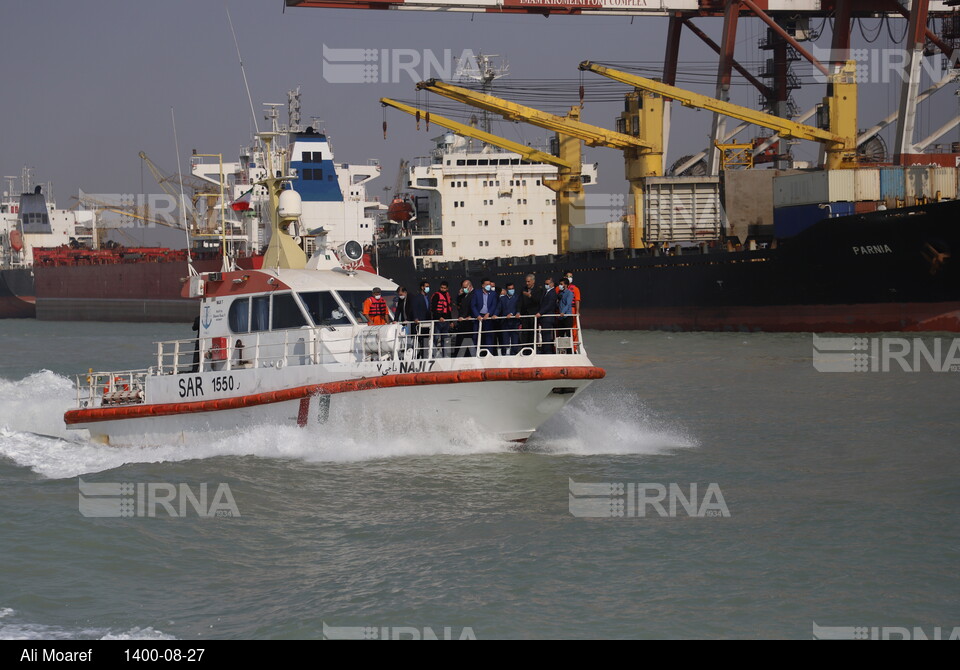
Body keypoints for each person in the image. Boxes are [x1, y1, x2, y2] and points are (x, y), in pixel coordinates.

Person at [470, 277, 499, 354]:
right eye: (487, 284)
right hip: (478, 317)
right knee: (476, 336)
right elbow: (473, 305)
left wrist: (489, 313)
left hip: (488, 317)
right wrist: (477, 315)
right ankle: (475, 353)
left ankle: (489, 353)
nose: (489, 286)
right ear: (483, 285)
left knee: (489, 336)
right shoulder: (477, 292)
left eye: (489, 284)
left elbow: (494, 305)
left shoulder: (493, 294)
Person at [407, 281, 433, 357]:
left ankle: (424, 355)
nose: (428, 288)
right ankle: (417, 356)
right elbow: (414, 309)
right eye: (426, 286)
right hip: (419, 322)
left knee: (425, 340)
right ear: (422, 287)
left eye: (428, 286)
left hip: (427, 322)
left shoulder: (428, 298)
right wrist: (416, 318)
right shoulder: (417, 297)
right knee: (418, 340)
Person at [430, 280, 455, 357]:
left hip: (446, 321)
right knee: (436, 338)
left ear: (447, 288)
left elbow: (448, 310)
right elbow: (433, 308)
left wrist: (451, 321)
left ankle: (445, 355)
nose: (443, 289)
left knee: (445, 339)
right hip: (438, 321)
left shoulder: (448, 296)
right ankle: (433, 355)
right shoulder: (436, 295)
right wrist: (439, 317)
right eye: (441, 288)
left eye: (444, 288)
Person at [496, 281, 521, 355]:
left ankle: (514, 354)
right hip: (505, 322)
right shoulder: (502, 299)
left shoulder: (517, 297)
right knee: (504, 340)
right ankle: (504, 354)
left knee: (515, 340)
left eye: (512, 288)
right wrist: (495, 314)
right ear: (506, 290)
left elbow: (518, 308)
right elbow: (498, 308)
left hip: (514, 322)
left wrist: (512, 313)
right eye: (509, 289)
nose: (511, 290)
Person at [519, 273, 543, 349]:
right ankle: (525, 349)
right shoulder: (523, 289)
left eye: (529, 281)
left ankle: (532, 349)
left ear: (533, 281)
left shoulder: (539, 289)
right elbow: (519, 302)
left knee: (533, 333)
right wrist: (518, 312)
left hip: (533, 316)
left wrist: (530, 296)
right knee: (525, 333)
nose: (527, 283)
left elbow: (538, 301)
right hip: (525, 316)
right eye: (526, 281)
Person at [536, 277, 559, 354]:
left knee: (547, 335)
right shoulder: (545, 292)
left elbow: (549, 305)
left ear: (552, 284)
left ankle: (547, 351)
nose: (546, 285)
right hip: (543, 318)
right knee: (544, 335)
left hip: (548, 318)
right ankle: (544, 350)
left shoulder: (553, 293)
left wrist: (540, 312)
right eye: (545, 284)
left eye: (547, 284)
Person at [557, 277, 575, 349]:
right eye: (559, 284)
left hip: (567, 316)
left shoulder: (569, 293)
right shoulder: (560, 293)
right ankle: (561, 350)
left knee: (568, 334)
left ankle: (570, 350)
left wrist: (563, 312)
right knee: (560, 335)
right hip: (561, 317)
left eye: (561, 284)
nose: (560, 285)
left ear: (566, 285)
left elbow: (568, 304)